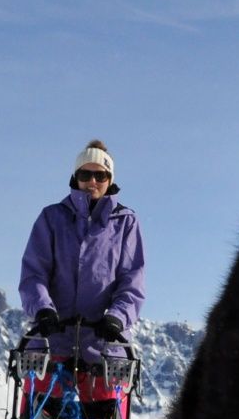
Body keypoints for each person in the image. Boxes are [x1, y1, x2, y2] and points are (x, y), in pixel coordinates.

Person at [18, 140, 145, 365]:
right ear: (75, 178)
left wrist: (116, 317)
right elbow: (34, 274)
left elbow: (132, 282)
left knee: (108, 390)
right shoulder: (52, 218)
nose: (92, 182)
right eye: (85, 175)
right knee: (43, 388)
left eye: (100, 176)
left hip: (105, 349)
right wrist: (42, 310)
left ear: (110, 180)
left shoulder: (126, 223)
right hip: (51, 343)